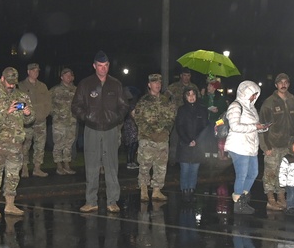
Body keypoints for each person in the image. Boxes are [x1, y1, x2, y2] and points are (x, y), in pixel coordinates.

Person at [71, 51, 130, 213]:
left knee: (111, 165)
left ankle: (113, 201)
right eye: (100, 66)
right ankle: (91, 201)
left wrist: (116, 118)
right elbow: (75, 106)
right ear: (94, 66)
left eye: (105, 66)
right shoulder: (86, 84)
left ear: (108, 66)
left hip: (111, 130)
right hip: (92, 129)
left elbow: (124, 106)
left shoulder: (115, 84)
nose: (103, 69)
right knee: (91, 165)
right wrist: (87, 117)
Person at [0, 67, 32, 218]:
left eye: (13, 83)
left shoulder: (21, 95)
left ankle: (10, 205)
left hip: (16, 143)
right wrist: (6, 111)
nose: (11, 85)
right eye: (8, 82)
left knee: (13, 175)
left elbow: (30, 119)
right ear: (2, 79)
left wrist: (28, 114)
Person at [259, 73, 294, 211]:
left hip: (288, 145)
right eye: (280, 82)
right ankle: (270, 199)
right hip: (272, 145)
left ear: (289, 84)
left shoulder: (293, 101)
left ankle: (281, 197)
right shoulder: (269, 103)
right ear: (276, 85)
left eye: (285, 82)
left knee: (284, 173)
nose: (283, 85)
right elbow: (262, 126)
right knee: (270, 173)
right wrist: (265, 146)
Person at [224, 80, 268, 214]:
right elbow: (235, 126)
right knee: (242, 175)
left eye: (256, 94)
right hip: (238, 145)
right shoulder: (235, 106)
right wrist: (255, 127)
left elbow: (254, 126)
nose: (255, 97)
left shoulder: (251, 108)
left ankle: (242, 197)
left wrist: (262, 128)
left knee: (253, 173)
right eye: (253, 94)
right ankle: (238, 202)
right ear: (245, 92)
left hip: (251, 146)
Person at [131, 73, 175, 201]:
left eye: (159, 83)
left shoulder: (166, 101)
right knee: (145, 165)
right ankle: (144, 189)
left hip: (162, 139)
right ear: (149, 85)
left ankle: (156, 190)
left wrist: (165, 132)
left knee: (161, 166)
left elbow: (171, 118)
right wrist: (151, 132)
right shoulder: (143, 101)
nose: (158, 85)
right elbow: (139, 119)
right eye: (155, 83)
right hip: (148, 139)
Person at [173, 83, 210, 197]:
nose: (191, 97)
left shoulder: (202, 109)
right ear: (185, 96)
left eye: (193, 94)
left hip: (198, 144)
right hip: (185, 144)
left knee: (194, 169)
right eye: (188, 95)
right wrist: (188, 140)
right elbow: (179, 127)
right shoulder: (182, 109)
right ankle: (184, 190)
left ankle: (191, 190)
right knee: (185, 169)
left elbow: (205, 126)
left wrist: (197, 140)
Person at [18, 62, 51, 177]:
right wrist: (24, 115)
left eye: (37, 71)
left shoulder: (42, 86)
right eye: (33, 70)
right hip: (27, 122)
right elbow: (18, 103)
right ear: (28, 72)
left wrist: (45, 114)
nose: (35, 72)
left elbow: (48, 102)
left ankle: (37, 168)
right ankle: (24, 168)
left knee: (40, 146)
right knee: (25, 146)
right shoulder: (21, 86)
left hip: (41, 121)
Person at [49, 67, 77, 175]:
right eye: (66, 75)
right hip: (59, 122)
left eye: (70, 75)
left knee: (68, 144)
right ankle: (59, 165)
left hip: (72, 121)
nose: (68, 77)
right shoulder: (55, 90)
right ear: (61, 77)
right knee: (58, 143)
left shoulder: (75, 90)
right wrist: (54, 113)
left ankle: (66, 164)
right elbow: (47, 103)